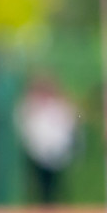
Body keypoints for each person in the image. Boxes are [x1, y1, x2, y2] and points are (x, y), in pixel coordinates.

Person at [15, 76, 77, 205]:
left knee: (53, 185)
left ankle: (52, 208)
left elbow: (67, 126)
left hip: (55, 153)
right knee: (39, 186)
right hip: (37, 153)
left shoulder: (58, 107)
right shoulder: (31, 107)